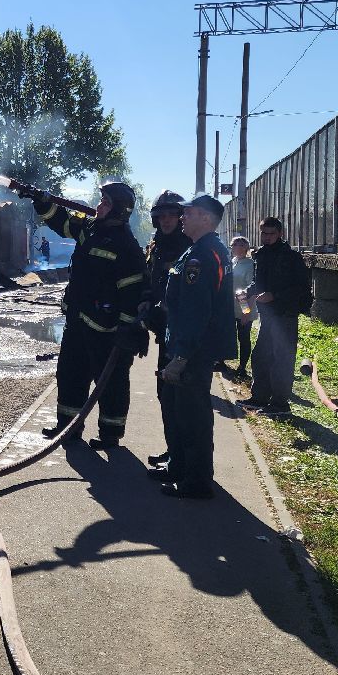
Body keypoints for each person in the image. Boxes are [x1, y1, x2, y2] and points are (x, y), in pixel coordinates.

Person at [20, 181, 147, 449]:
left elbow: (133, 292)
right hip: (78, 319)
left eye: (105, 203)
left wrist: (127, 329)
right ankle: (68, 428)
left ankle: (110, 435)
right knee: (69, 374)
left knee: (110, 383)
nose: (99, 206)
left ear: (118, 211)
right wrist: (41, 201)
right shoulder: (90, 229)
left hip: (107, 329)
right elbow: (63, 222)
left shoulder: (127, 246)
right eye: (100, 201)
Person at [149, 195, 237, 499]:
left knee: (192, 417)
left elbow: (197, 311)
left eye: (188, 212)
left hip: (192, 351)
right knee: (178, 410)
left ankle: (196, 482)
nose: (181, 216)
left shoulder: (203, 255)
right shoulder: (198, 249)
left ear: (205, 218)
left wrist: (182, 356)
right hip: (183, 345)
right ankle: (179, 467)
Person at [243, 217, 312, 419]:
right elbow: (259, 283)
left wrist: (275, 295)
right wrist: (246, 293)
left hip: (285, 314)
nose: (266, 237)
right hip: (268, 316)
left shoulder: (291, 258)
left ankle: (280, 403)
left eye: (271, 233)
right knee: (261, 357)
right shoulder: (261, 255)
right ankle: (260, 398)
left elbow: (301, 289)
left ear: (280, 233)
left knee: (281, 360)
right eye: (263, 233)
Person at [142, 190, 189, 470]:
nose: (167, 219)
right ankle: (174, 451)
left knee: (178, 398)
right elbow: (152, 281)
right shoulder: (156, 246)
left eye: (173, 214)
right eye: (162, 215)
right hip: (165, 334)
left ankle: (180, 458)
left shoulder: (187, 246)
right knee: (165, 395)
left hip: (181, 336)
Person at [229, 235, 255, 381]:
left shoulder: (250, 264)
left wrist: (246, 312)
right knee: (229, 333)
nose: (237, 248)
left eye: (240, 245)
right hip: (231, 305)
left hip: (244, 303)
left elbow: (250, 289)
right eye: (234, 245)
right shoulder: (233, 262)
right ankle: (222, 360)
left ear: (246, 248)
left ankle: (242, 367)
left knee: (244, 337)